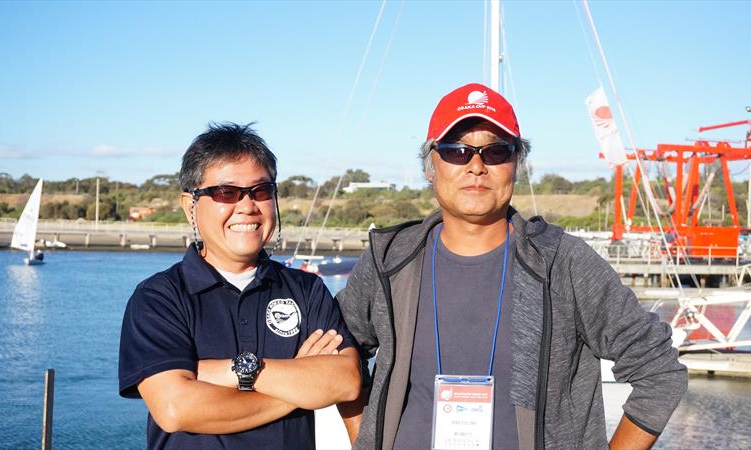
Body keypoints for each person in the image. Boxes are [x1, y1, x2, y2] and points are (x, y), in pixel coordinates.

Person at [336, 83, 687, 450]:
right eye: (456, 151)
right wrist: (365, 438)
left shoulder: (563, 264)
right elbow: (339, 355)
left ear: (516, 164)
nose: (476, 167)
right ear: (430, 166)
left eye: (495, 151)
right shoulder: (389, 261)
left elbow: (660, 370)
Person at [118, 122, 361, 449]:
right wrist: (298, 391)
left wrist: (230, 372)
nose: (247, 206)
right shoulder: (159, 298)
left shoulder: (307, 290)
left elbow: (345, 381)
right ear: (190, 205)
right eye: (225, 192)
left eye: (261, 191)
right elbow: (176, 408)